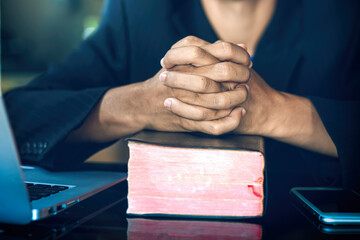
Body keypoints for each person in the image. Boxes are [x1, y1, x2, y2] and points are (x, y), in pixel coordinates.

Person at [4, 0, 360, 191]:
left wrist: (274, 112)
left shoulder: (344, 14)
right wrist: (137, 104)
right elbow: (17, 117)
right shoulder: (137, 12)